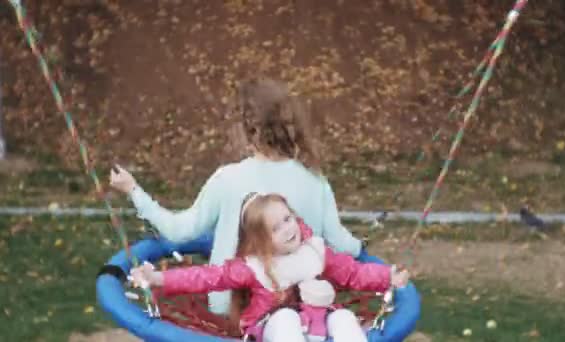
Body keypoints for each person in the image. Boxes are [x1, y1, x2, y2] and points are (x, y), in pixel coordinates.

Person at [109, 77, 370, 314]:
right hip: (300, 308)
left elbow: (179, 230)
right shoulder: (315, 179)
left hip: (233, 309)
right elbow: (340, 243)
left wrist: (134, 190)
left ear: (249, 129)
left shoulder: (228, 179)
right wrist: (362, 246)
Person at [129, 193, 409, 341]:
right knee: (286, 319)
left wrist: (387, 277)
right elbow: (207, 278)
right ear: (261, 241)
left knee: (346, 319)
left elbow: (354, 272)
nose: (288, 229)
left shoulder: (314, 250)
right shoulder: (254, 267)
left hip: (318, 322)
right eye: (276, 228)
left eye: (288, 219)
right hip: (271, 328)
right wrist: (158, 279)